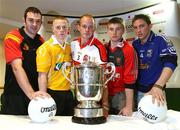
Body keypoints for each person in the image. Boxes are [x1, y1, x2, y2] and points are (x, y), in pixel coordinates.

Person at [0, 7, 49, 115]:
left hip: (35, 97)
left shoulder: (41, 41)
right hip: (15, 96)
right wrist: (31, 93)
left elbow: (43, 71)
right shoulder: (13, 37)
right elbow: (17, 67)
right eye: (31, 20)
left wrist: (42, 94)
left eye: (38, 21)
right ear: (24, 20)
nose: (35, 24)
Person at [132, 14, 178, 105]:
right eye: (135, 27)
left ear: (150, 26)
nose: (138, 30)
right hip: (136, 92)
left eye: (142, 26)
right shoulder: (134, 44)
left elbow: (171, 62)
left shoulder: (160, 40)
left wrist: (158, 86)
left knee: (156, 119)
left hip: (155, 91)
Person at [70, 14, 109, 117]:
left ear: (94, 28)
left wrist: (105, 104)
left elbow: (104, 78)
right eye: (84, 26)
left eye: (90, 26)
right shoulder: (73, 44)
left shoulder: (99, 47)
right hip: (74, 94)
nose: (87, 30)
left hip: (91, 96)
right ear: (78, 27)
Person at [36, 17, 74, 116]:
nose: (61, 30)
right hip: (52, 93)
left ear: (68, 30)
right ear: (53, 29)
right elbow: (42, 75)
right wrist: (44, 99)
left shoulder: (70, 48)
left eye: (64, 27)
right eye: (58, 27)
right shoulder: (45, 48)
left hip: (68, 93)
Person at [106, 17, 138, 116]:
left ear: (123, 30)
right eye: (111, 29)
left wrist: (128, 106)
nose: (114, 32)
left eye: (118, 29)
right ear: (107, 31)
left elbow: (130, 80)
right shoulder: (103, 48)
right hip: (105, 94)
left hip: (121, 95)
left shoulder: (128, 49)